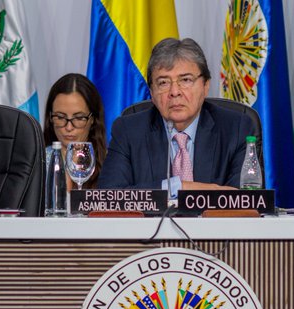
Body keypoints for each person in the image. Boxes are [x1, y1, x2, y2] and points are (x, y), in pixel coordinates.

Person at [98, 38, 255, 195]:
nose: (174, 92)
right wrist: (177, 187)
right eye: (163, 83)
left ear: (205, 86)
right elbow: (109, 195)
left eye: (185, 80)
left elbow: (246, 198)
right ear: (152, 93)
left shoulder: (237, 129)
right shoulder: (128, 131)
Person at [43, 73, 107, 190]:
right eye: (60, 117)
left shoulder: (112, 163)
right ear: (50, 117)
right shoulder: (36, 164)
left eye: (78, 118)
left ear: (93, 119)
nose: (68, 127)